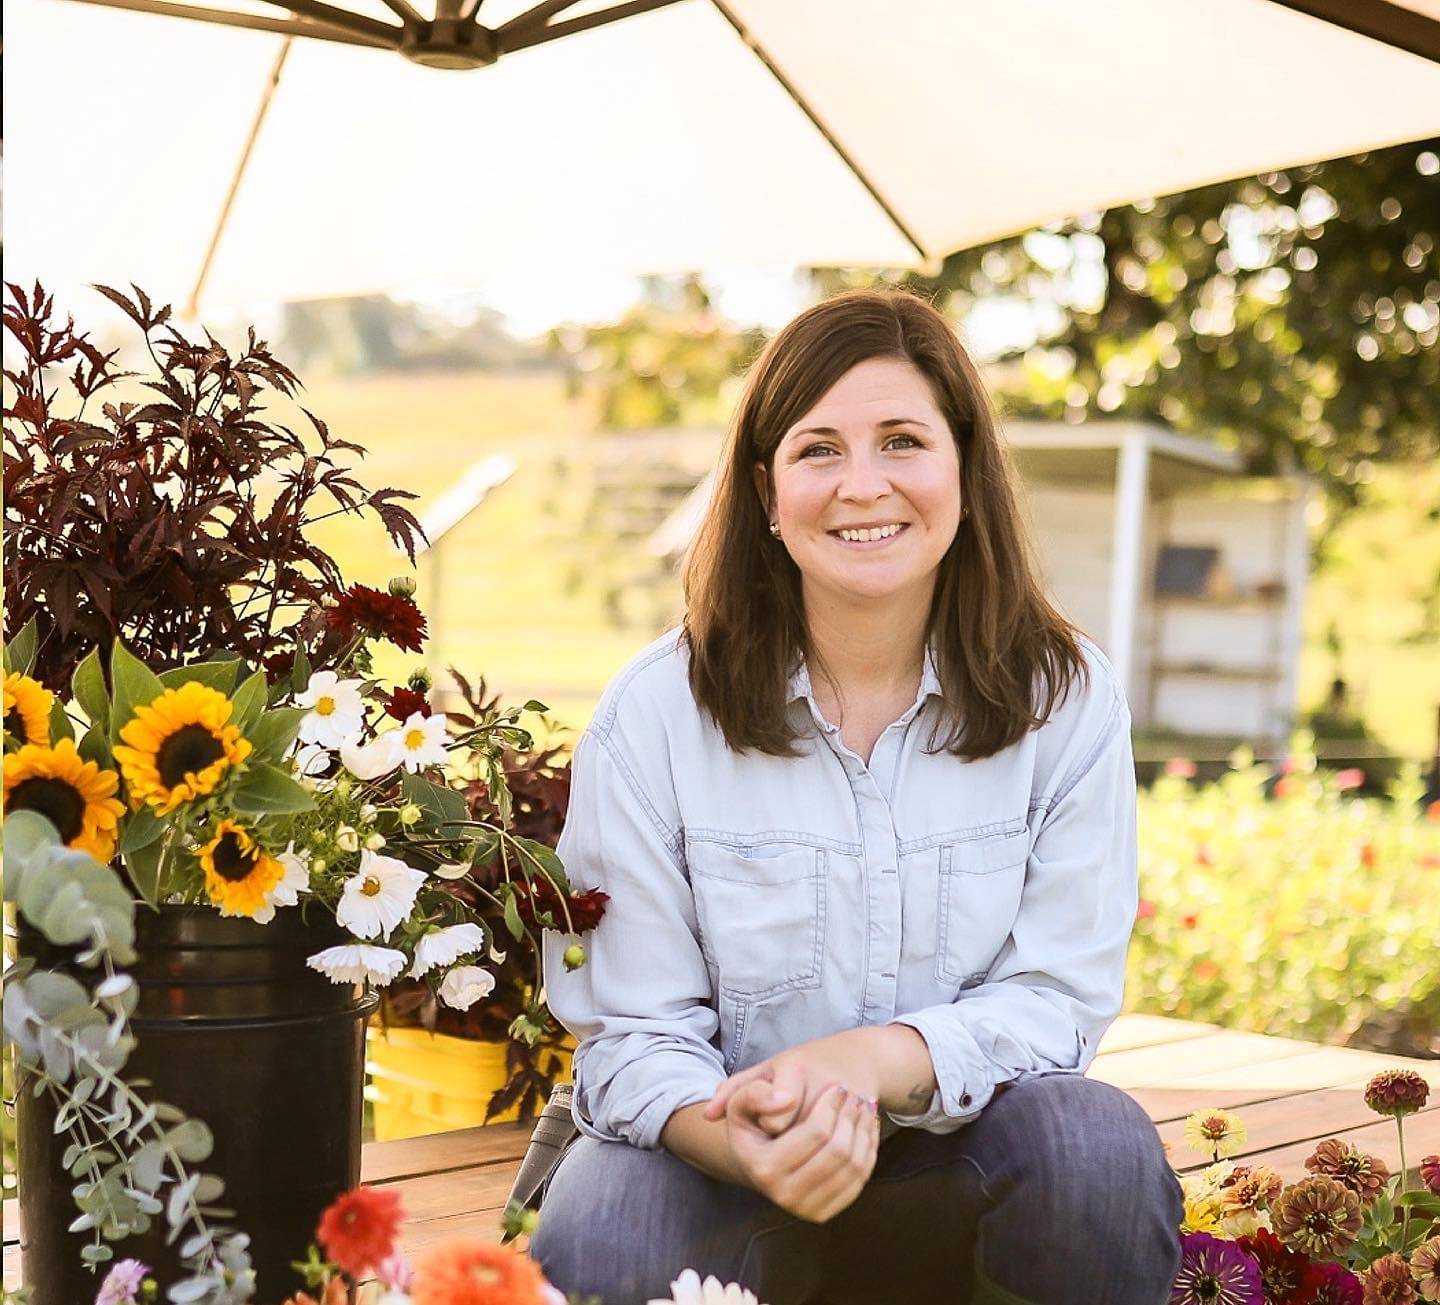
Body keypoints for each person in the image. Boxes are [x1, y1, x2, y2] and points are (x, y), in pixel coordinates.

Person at [531, 288, 1183, 1305]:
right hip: (716, 1153)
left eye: (902, 441)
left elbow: (1058, 999)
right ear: (765, 489)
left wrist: (864, 1063)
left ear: (965, 467)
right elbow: (633, 1031)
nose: (863, 485)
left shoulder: (1067, 698)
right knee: (606, 1218)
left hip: (957, 1155)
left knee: (1096, 1146)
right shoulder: (657, 713)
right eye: (819, 449)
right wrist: (750, 1142)